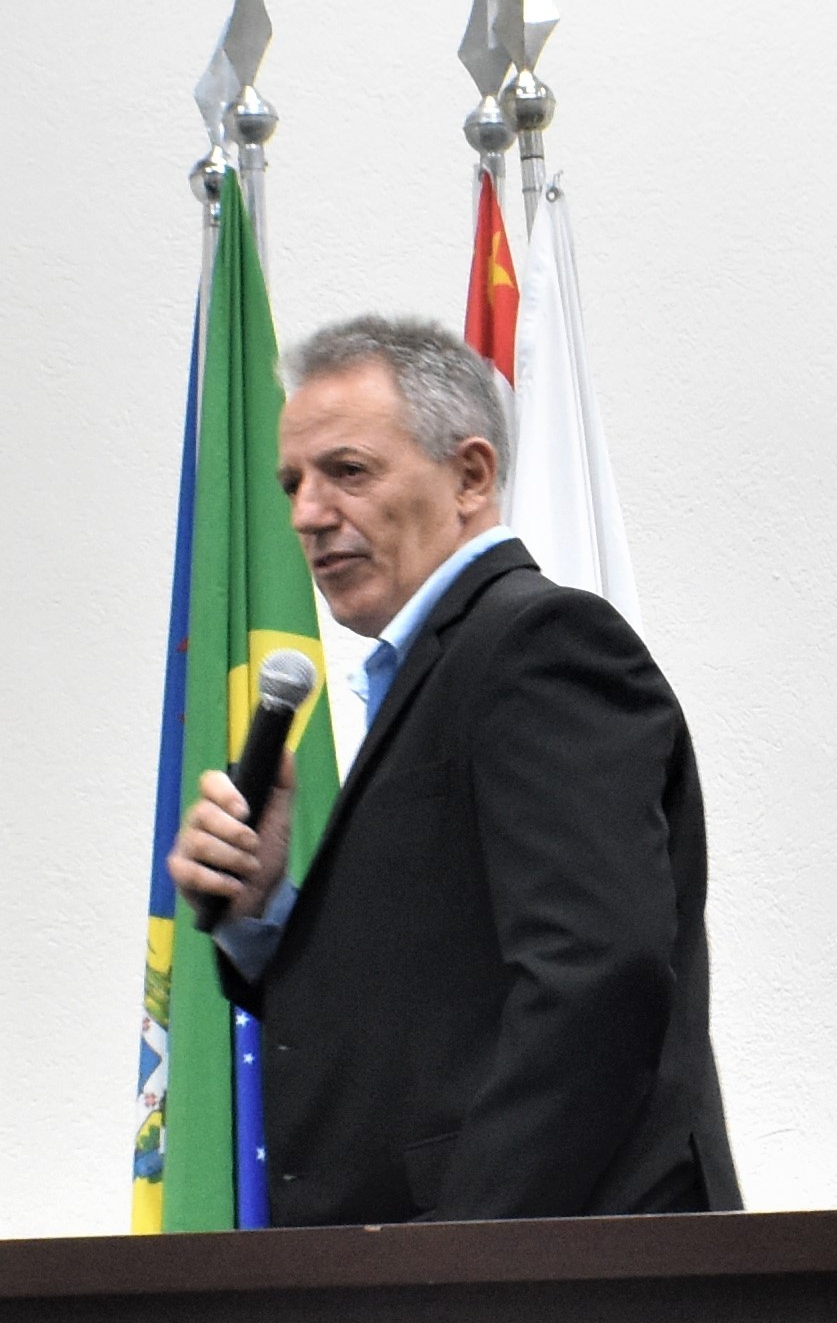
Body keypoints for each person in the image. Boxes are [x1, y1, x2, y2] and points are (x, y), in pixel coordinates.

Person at [163, 315, 735, 1222]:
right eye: (294, 483)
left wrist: (452, 1255)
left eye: (348, 472)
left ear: (470, 476)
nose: (308, 514)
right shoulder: (436, 671)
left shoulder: (541, 645)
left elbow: (596, 980)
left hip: (556, 1283)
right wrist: (263, 910)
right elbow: (415, 1024)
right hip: (460, 1280)